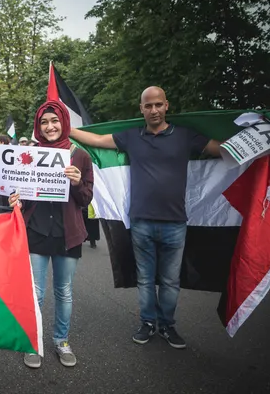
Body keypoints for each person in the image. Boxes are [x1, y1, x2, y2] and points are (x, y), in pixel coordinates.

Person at [69, 86, 221, 349]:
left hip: (175, 223)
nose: (154, 110)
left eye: (158, 105)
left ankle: (168, 325)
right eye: (148, 106)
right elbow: (96, 140)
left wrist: (255, 144)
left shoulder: (185, 136)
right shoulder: (132, 137)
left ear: (167, 105)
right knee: (146, 279)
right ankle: (148, 323)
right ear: (141, 109)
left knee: (171, 281)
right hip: (141, 222)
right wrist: (64, 127)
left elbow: (219, 149)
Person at [9, 100, 93, 369]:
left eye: (54, 121)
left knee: (64, 291)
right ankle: (32, 342)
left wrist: (78, 183)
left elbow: (86, 198)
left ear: (64, 123)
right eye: (44, 122)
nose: (50, 126)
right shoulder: (29, 154)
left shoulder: (80, 156)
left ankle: (61, 340)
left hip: (68, 232)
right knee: (35, 293)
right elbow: (18, 191)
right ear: (38, 126)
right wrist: (15, 199)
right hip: (37, 230)